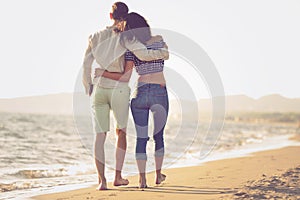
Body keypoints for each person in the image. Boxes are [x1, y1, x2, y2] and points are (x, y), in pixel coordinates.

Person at [82, 2, 169, 190]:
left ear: (110, 16)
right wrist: (163, 53)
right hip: (119, 89)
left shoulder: (95, 37)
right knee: (121, 132)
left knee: (99, 136)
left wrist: (88, 86)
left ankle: (101, 181)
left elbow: (86, 65)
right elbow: (144, 55)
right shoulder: (126, 36)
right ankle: (118, 177)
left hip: (99, 89)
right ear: (126, 16)